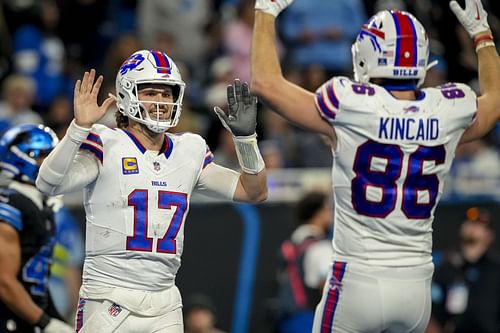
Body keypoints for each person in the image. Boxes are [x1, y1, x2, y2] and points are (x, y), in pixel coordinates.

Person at [251, 0, 500, 331]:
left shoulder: (350, 103)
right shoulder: (447, 110)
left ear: (366, 55)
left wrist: (265, 13)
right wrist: (482, 35)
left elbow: (266, 85)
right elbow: (495, 102)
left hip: (358, 279)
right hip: (415, 285)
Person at [35, 49, 267, 333]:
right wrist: (78, 127)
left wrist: (246, 140)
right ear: (127, 95)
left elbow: (253, 191)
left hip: (165, 302)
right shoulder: (106, 141)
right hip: (108, 297)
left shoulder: (189, 149)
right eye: (151, 93)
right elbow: (47, 183)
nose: (160, 102)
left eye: (166, 94)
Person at [0, 124, 74, 333]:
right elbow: (4, 281)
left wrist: (55, 319)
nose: (51, 164)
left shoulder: (41, 206)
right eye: (44, 156)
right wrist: (46, 322)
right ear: (22, 157)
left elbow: (37, 282)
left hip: (28, 317)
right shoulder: (10, 204)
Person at [428, 207, 500, 333]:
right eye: (469, 222)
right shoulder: (448, 268)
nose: (472, 227)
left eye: (480, 225)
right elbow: (433, 311)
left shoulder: (495, 269)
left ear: (489, 235)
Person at [274, 191, 333, 333]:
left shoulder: (290, 244)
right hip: (308, 319)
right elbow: (327, 286)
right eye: (329, 209)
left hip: (285, 319)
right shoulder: (319, 247)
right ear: (320, 213)